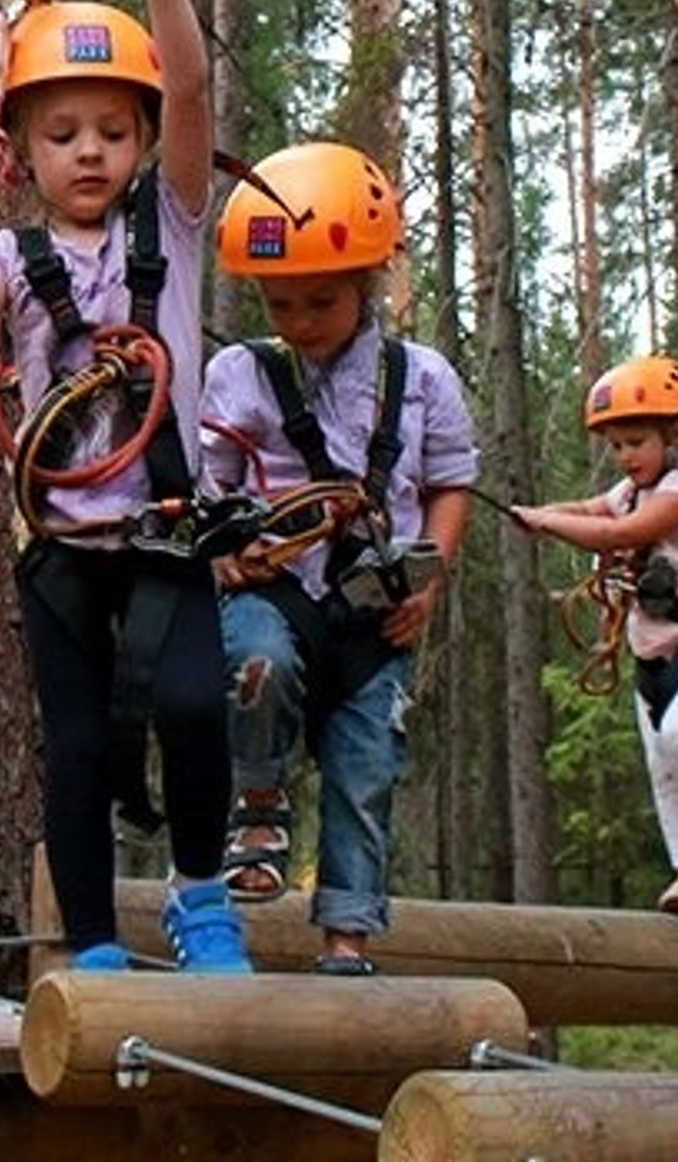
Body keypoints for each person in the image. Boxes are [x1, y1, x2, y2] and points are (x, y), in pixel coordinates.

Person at [0, 0, 249, 973]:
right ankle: (95, 939)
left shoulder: (173, 226)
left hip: (166, 529)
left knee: (196, 708)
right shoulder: (12, 256)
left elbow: (192, 93)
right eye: (61, 132)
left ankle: (201, 899)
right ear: (21, 141)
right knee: (72, 747)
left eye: (114, 129)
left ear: (142, 140)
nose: (92, 151)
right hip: (61, 541)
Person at [200, 141, 478, 975]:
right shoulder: (239, 375)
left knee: (367, 767)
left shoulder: (421, 379)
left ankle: (348, 937)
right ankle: (255, 806)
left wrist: (430, 582)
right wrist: (224, 555)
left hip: (371, 608)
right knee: (256, 663)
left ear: (368, 281)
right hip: (274, 586)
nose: (300, 320)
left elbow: (451, 483)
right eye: (280, 303)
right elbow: (212, 487)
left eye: (320, 300)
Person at [509, 356, 678, 916]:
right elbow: (593, 509)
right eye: (616, 446)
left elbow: (622, 533)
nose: (626, 456)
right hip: (654, 652)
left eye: (636, 441)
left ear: (674, 432)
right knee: (662, 761)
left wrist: (548, 524)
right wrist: (537, 512)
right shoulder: (628, 491)